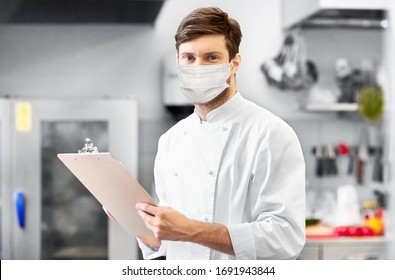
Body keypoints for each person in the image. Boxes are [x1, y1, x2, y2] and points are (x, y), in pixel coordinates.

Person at [135, 7, 306, 260]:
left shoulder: (270, 133)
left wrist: (189, 230)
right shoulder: (170, 141)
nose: (198, 67)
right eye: (189, 58)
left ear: (234, 63)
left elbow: (285, 238)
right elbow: (168, 246)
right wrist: (142, 227)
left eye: (211, 57)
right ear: (178, 62)